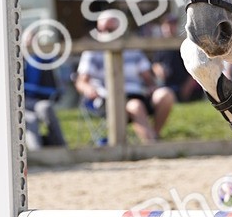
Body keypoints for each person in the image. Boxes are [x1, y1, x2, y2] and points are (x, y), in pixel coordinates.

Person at [75, 13, 175, 143]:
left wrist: (152, 85)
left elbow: (148, 78)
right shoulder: (92, 52)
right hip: (107, 99)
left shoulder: (133, 50)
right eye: (101, 30)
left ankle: (153, 135)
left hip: (138, 94)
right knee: (136, 106)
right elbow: (81, 82)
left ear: (120, 29)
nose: (105, 33)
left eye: (110, 30)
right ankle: (152, 144)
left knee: (165, 94)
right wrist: (88, 89)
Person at [22, 26, 66, 150]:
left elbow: (53, 87)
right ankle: (37, 153)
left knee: (46, 108)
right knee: (31, 118)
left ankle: (62, 147)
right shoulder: (17, 59)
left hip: (38, 101)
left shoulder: (44, 60)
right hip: (21, 102)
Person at [150, 13, 203, 102]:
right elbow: (155, 63)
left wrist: (188, 86)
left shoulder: (185, 44)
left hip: (185, 87)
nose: (169, 28)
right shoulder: (160, 45)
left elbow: (196, 66)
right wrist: (157, 68)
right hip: (167, 86)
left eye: (172, 25)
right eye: (166, 25)